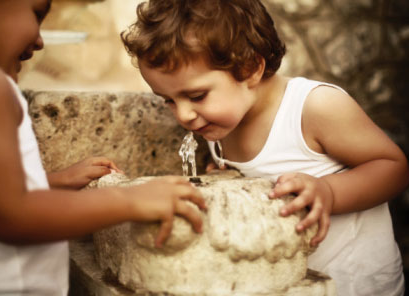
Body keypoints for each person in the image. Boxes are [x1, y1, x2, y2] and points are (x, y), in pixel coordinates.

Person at [120, 0, 409, 295]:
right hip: (289, 283)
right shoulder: (220, 122)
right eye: (168, 100)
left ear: (250, 69)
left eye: (196, 95)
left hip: (356, 282)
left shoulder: (314, 108)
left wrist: (330, 192)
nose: (183, 115)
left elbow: (393, 167)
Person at [0, 0, 206, 294]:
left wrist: (54, 182)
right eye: (37, 14)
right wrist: (130, 200)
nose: (40, 40)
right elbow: (9, 215)